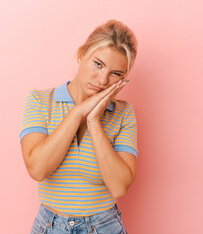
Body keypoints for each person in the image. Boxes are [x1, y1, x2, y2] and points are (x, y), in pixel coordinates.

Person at [20, 19, 138, 234]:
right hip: (50, 226)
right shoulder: (40, 100)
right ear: (82, 55)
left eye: (116, 73)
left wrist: (94, 120)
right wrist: (78, 112)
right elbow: (38, 169)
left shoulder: (123, 113)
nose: (103, 79)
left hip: (104, 227)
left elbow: (119, 186)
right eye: (98, 64)